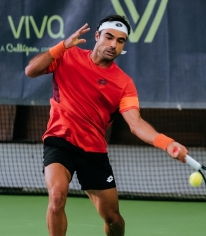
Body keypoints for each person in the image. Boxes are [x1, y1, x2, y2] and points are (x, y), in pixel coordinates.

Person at [25, 14, 188, 236]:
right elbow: (30, 71)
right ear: (97, 36)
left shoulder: (124, 83)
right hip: (59, 140)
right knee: (57, 196)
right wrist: (62, 46)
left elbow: (136, 123)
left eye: (120, 41)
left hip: (93, 151)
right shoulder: (67, 56)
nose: (113, 45)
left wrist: (166, 143)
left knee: (114, 220)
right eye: (109, 37)